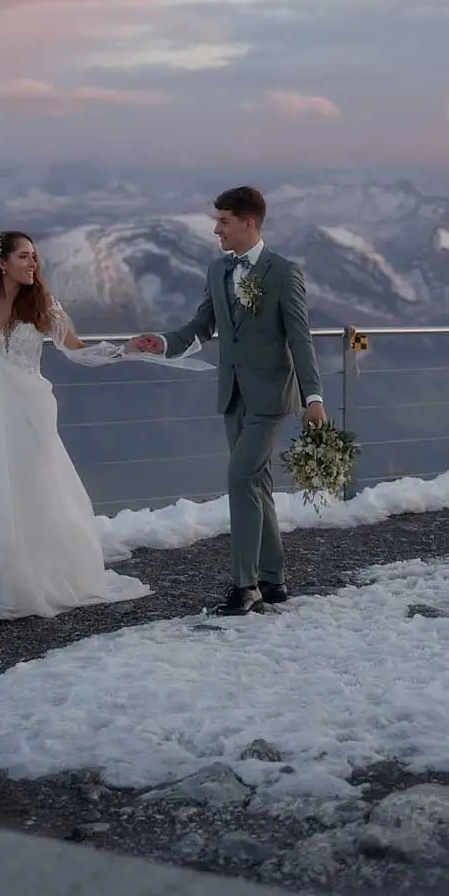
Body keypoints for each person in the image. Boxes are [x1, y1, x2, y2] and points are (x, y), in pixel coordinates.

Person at [0, 230, 208, 621]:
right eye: (24, 257)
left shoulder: (43, 303)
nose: (33, 264)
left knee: (38, 485)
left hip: (31, 407)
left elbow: (76, 350)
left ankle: (46, 576)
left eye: (34, 257)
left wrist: (124, 351)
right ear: (0, 263)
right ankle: (6, 581)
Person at [130, 186, 324, 616]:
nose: (216, 229)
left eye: (223, 221)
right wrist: (159, 342)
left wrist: (313, 397)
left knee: (240, 478)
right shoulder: (218, 271)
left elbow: (301, 339)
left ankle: (246, 587)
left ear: (248, 222)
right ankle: (275, 581)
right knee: (257, 484)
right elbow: (200, 326)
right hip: (232, 397)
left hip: (272, 397)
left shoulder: (283, 273)